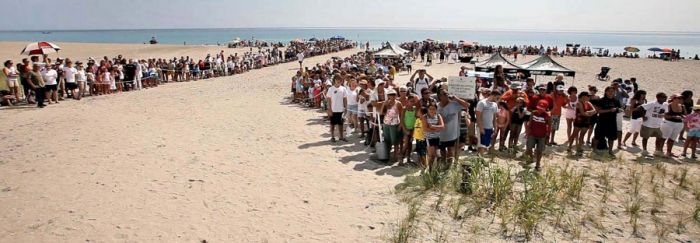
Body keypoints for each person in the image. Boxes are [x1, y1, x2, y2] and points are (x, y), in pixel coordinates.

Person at [437, 87, 471, 167]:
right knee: (442, 150)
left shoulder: (454, 104)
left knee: (450, 150)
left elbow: (467, 105)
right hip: (440, 134)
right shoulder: (437, 106)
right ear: (439, 97)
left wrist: (456, 98)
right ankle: (443, 164)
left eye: (447, 93)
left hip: (452, 134)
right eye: (444, 94)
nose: (447, 95)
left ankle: (448, 166)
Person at [637, 92, 668, 157]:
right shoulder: (652, 104)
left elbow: (665, 113)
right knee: (645, 138)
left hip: (658, 125)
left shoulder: (665, 105)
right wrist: (643, 116)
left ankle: (657, 151)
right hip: (648, 124)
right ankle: (644, 150)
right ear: (658, 98)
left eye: (665, 97)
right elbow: (640, 107)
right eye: (663, 97)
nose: (665, 98)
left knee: (659, 137)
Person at [526, 100, 552, 171]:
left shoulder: (547, 116)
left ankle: (538, 164)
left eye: (542, 108)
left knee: (539, 151)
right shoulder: (533, 113)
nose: (540, 110)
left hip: (542, 136)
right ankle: (531, 158)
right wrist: (527, 133)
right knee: (529, 148)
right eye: (539, 108)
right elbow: (530, 123)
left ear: (545, 109)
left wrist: (547, 137)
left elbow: (549, 127)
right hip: (532, 134)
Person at [476, 90, 501, 156]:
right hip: (482, 127)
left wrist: (495, 128)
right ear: (493, 95)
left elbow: (494, 118)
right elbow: (478, 117)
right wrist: (481, 128)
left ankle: (479, 159)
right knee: (482, 145)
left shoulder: (495, 105)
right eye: (497, 98)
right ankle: (480, 160)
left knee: (486, 145)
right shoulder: (482, 103)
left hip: (490, 127)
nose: (498, 100)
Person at [381, 89, 404, 163]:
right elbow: (382, 112)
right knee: (387, 140)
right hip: (386, 123)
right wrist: (384, 104)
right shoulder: (386, 103)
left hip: (394, 124)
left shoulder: (398, 103)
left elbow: (401, 114)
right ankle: (387, 155)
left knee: (395, 140)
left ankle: (395, 156)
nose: (393, 96)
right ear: (388, 96)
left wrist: (401, 124)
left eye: (394, 94)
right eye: (391, 95)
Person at [422, 102, 444, 170]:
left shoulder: (438, 116)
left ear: (436, 109)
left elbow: (442, 126)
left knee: (438, 155)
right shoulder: (425, 117)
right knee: (431, 155)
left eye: (434, 109)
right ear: (427, 109)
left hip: (437, 138)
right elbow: (425, 129)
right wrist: (436, 129)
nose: (432, 110)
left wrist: (432, 126)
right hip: (429, 138)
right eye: (430, 109)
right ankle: (430, 170)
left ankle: (436, 170)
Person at [326, 75, 348, 143]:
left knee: (341, 124)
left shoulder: (343, 88)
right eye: (337, 79)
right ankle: (332, 136)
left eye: (339, 79)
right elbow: (329, 99)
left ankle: (341, 136)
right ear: (334, 80)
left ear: (341, 81)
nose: (338, 81)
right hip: (333, 109)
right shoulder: (331, 89)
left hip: (340, 109)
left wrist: (346, 107)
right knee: (332, 124)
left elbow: (345, 98)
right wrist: (329, 109)